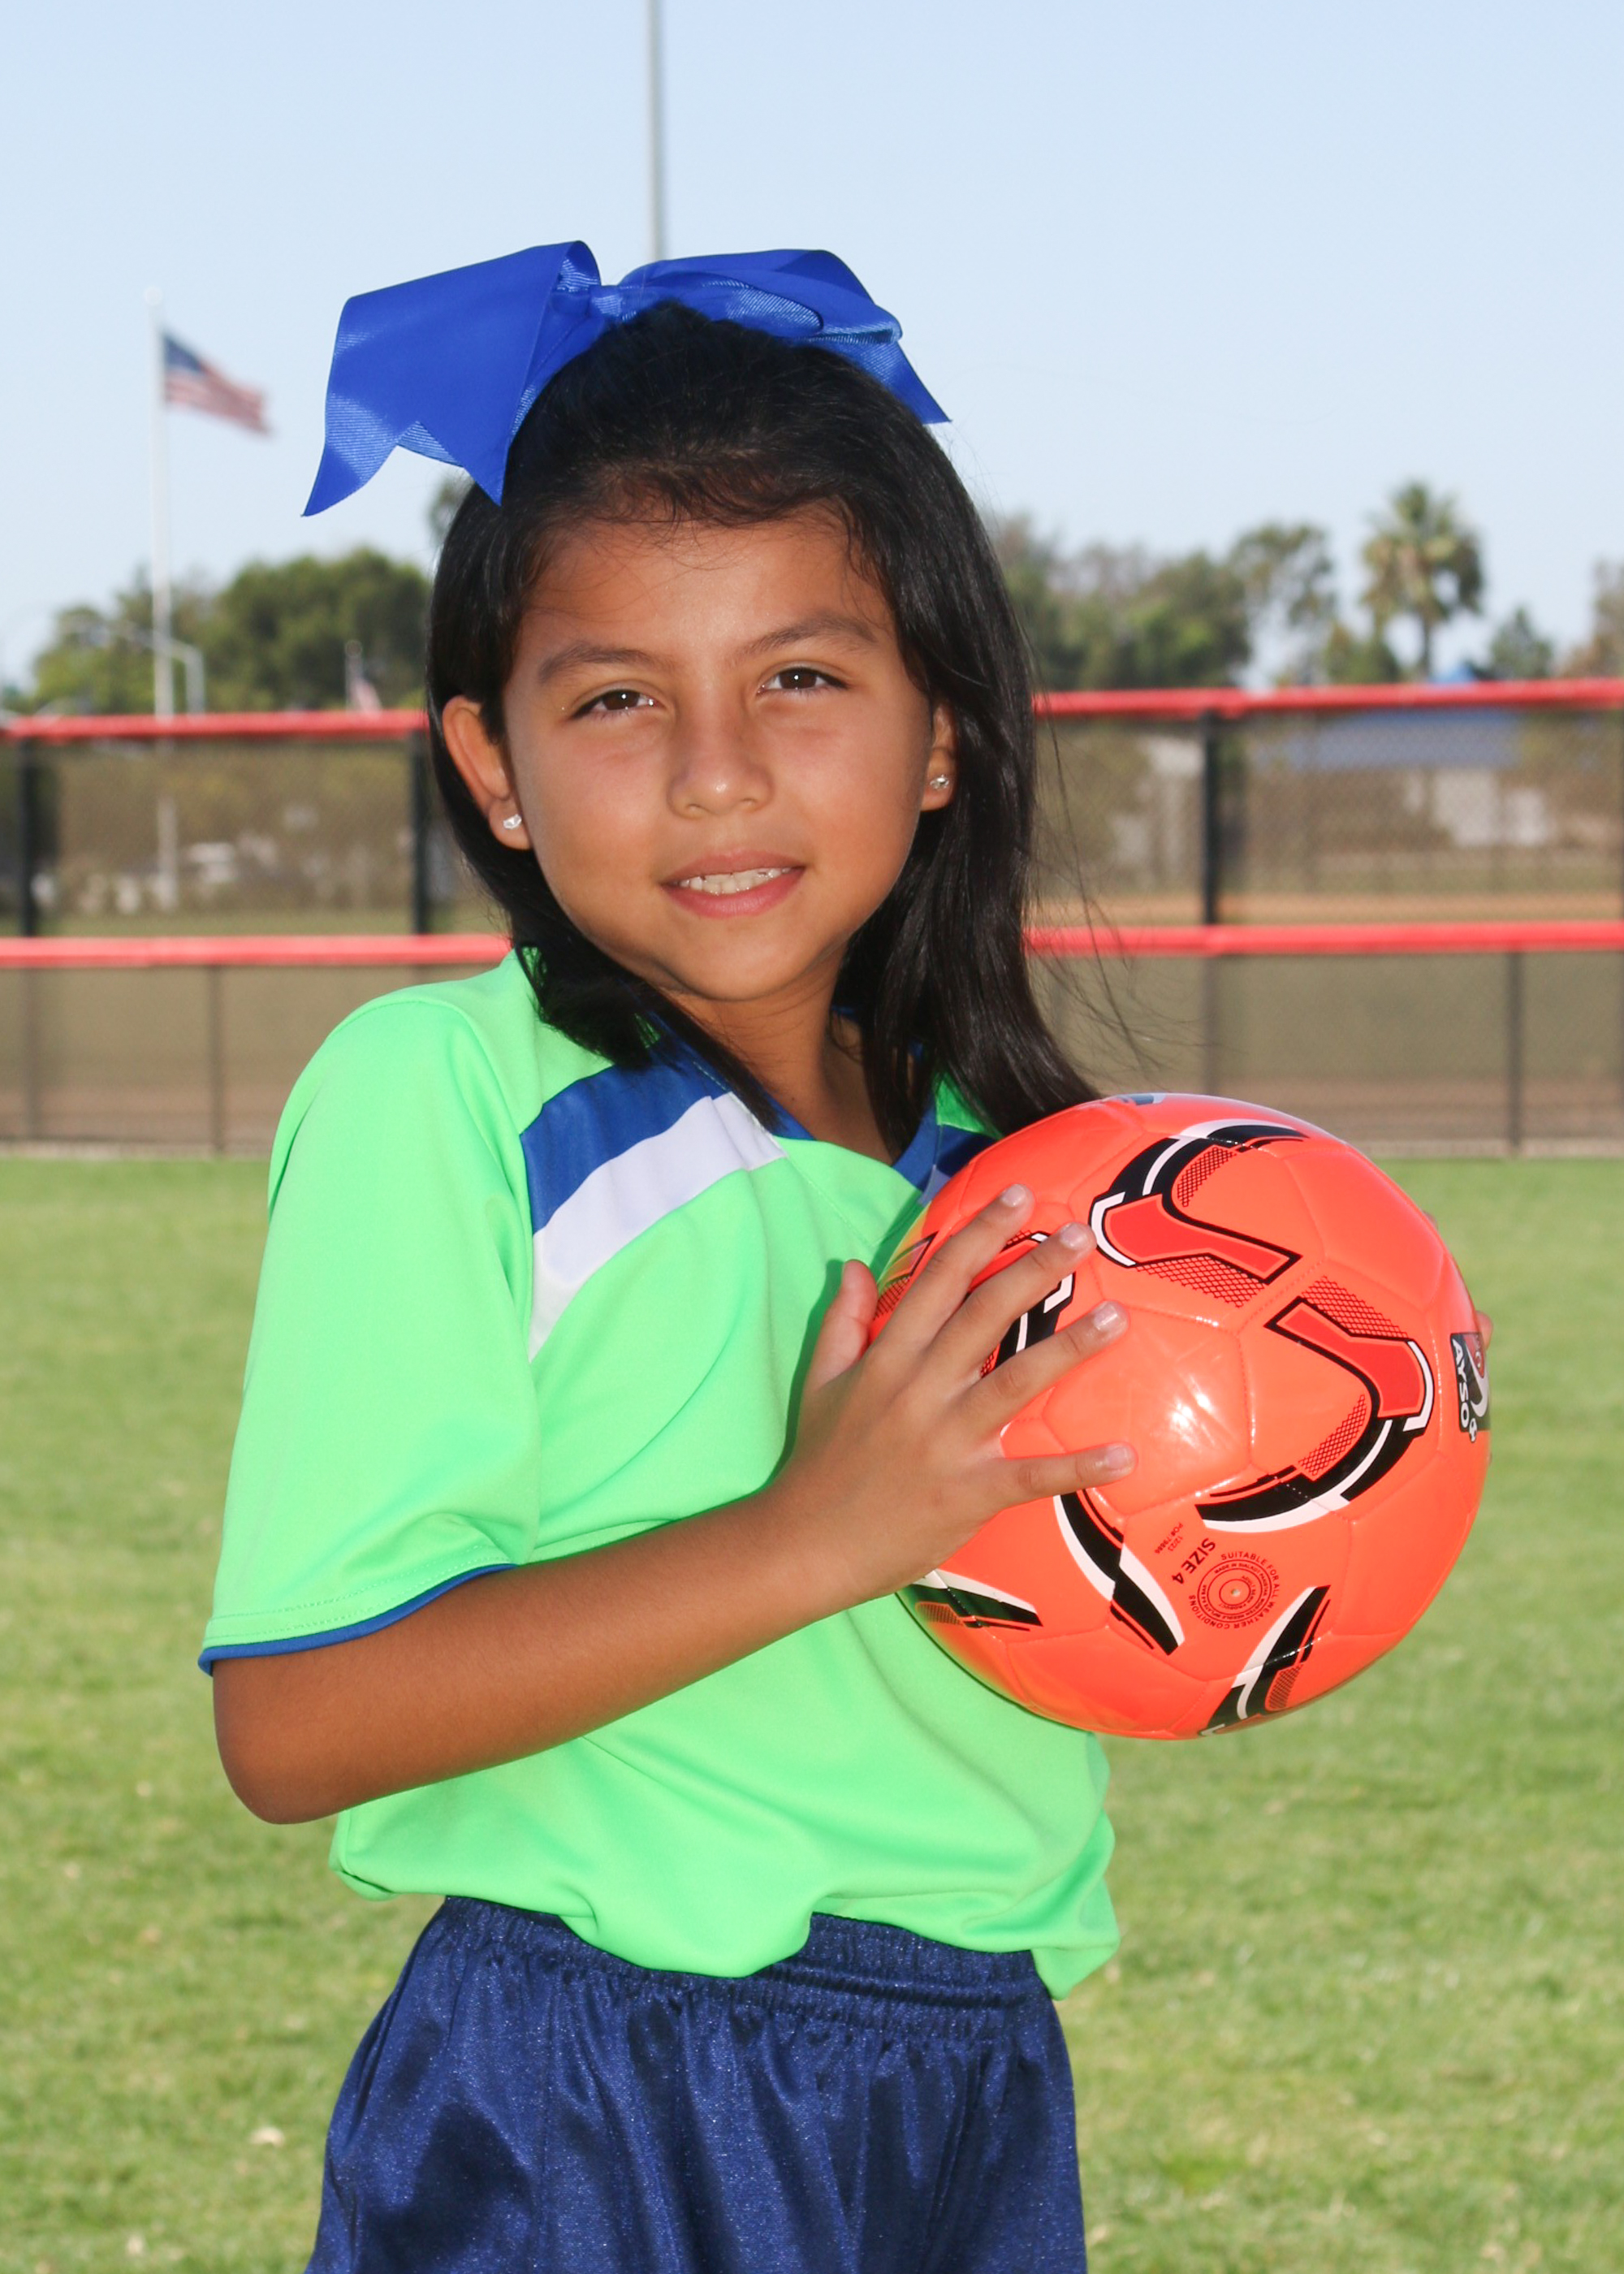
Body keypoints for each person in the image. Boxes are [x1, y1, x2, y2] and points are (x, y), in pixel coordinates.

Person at [205, 244, 1136, 2274]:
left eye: (800, 677)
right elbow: (295, 1717)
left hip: (972, 2073)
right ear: (493, 766)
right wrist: (817, 1530)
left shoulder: (1022, 1177)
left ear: (943, 731)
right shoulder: (446, 1093)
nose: (717, 770)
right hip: (602, 2087)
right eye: (618, 696)